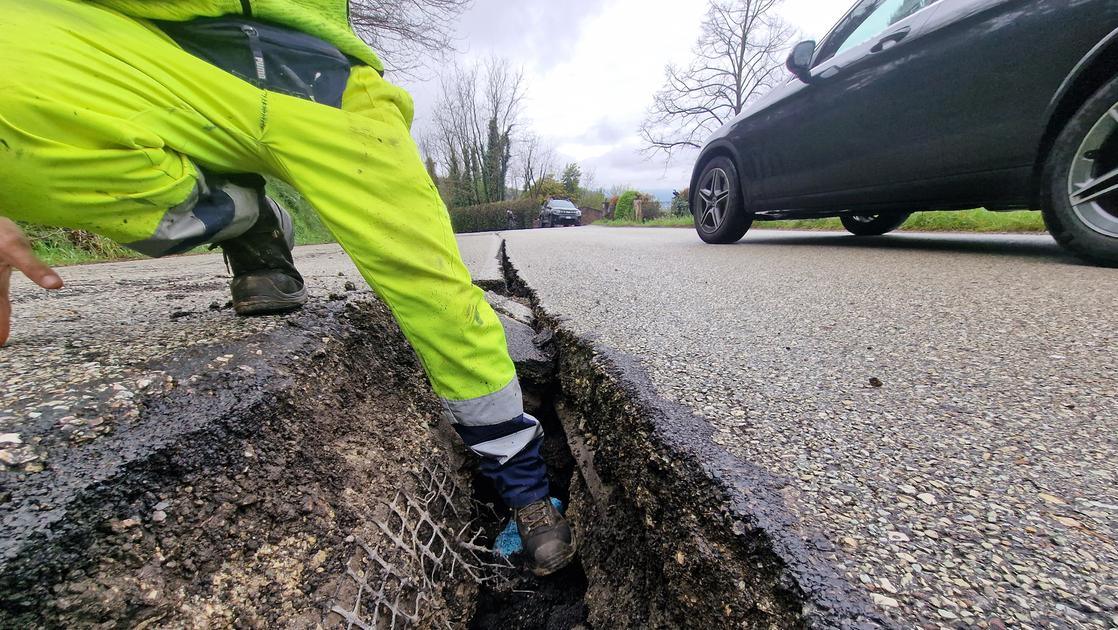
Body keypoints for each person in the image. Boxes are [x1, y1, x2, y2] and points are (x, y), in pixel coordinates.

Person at [0, 0, 575, 577]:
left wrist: (523, 486)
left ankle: (524, 489)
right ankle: (244, 217)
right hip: (145, 43)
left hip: (316, 75)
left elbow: (439, 304)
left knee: (436, 294)